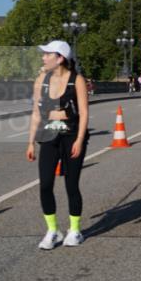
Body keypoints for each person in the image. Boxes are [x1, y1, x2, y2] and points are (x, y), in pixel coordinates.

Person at [27, 40, 90, 250]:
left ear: (60, 58)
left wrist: (80, 140)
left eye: (47, 54)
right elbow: (36, 112)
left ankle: (75, 230)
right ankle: (53, 230)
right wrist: (30, 142)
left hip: (71, 135)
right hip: (48, 135)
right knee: (45, 184)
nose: (43, 57)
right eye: (43, 54)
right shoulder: (41, 80)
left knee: (71, 184)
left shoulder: (76, 80)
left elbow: (84, 113)